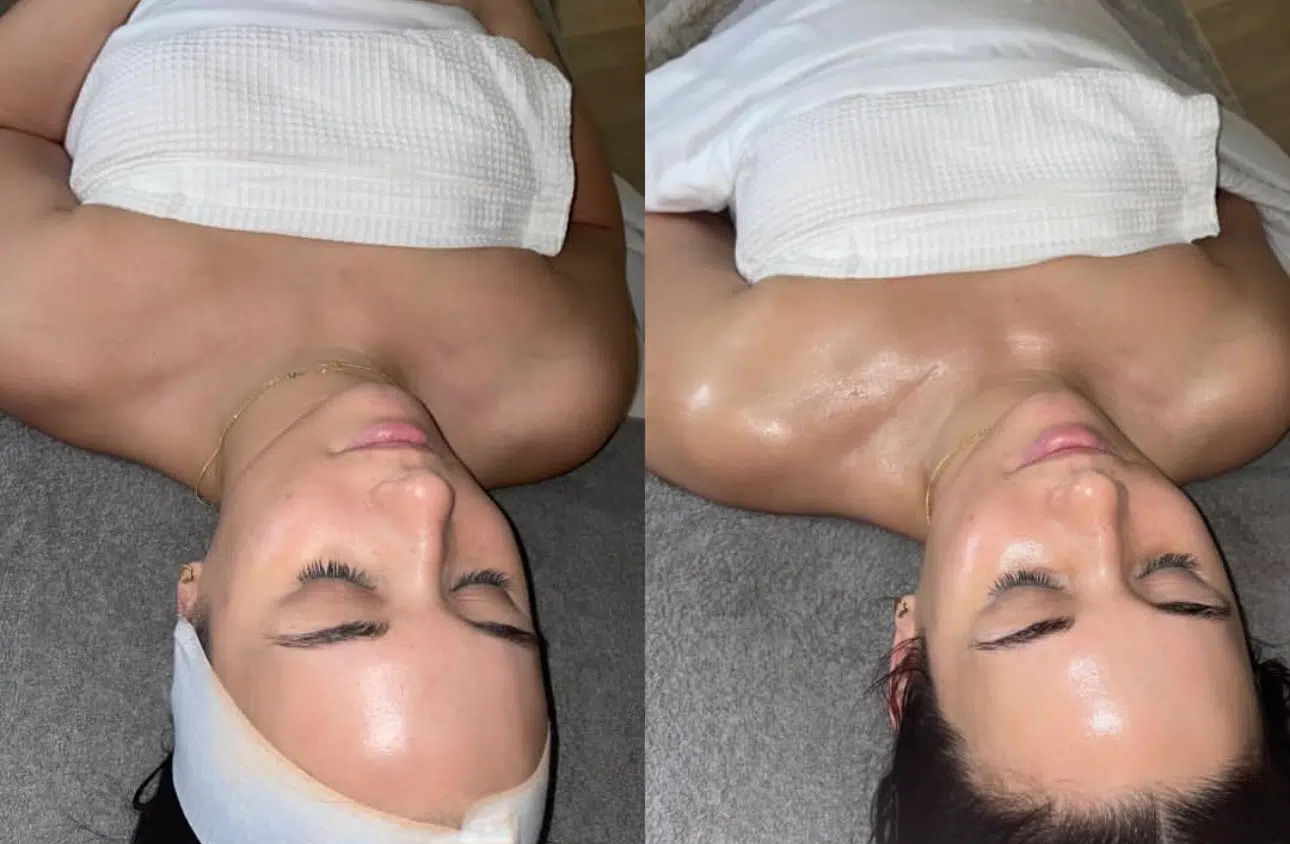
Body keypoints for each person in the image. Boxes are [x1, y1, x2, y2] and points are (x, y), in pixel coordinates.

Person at [645, 0, 1290, 840]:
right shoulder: (1241, 364)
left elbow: (661, 201)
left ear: (909, 660)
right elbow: (1225, 182)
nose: (1096, 497)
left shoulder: (726, 405)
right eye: (1177, 582)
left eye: (1029, 596)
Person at [0, 0, 637, 840]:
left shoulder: (43, 324)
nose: (426, 501)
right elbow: (586, 219)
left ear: (195, 596)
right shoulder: (559, 382)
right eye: (487, 596)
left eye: (335, 587)